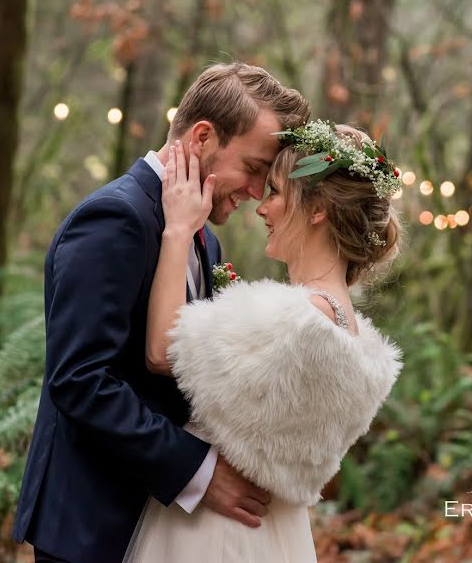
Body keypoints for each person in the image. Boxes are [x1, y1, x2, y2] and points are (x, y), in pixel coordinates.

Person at [12, 62, 309, 562]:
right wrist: (199, 472)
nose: (257, 192)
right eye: (255, 168)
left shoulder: (203, 240)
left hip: (164, 529)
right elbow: (80, 381)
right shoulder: (115, 219)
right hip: (94, 526)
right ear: (202, 137)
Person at [123, 120, 404, 561]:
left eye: (274, 192)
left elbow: (162, 350)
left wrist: (178, 231)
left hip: (214, 535)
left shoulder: (292, 320)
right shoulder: (356, 339)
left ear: (316, 210)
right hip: (279, 537)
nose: (261, 207)